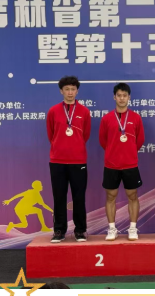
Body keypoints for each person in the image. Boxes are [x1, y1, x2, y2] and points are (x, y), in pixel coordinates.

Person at [46, 76, 91, 243]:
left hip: (78, 161)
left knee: (79, 197)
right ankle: (59, 230)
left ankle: (80, 230)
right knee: (59, 197)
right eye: (67, 89)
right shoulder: (53, 111)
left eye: (73, 89)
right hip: (57, 161)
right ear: (61, 91)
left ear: (77, 91)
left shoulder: (84, 112)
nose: (70, 92)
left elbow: (85, 135)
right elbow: (51, 134)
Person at [99, 83, 145, 241]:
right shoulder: (106, 119)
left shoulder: (136, 118)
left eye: (125, 96)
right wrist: (113, 152)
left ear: (129, 97)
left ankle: (132, 228)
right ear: (114, 97)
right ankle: (112, 229)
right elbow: (103, 141)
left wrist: (129, 152)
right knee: (110, 196)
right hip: (111, 165)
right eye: (119, 95)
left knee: (132, 195)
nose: (122, 98)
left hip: (130, 164)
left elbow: (140, 140)